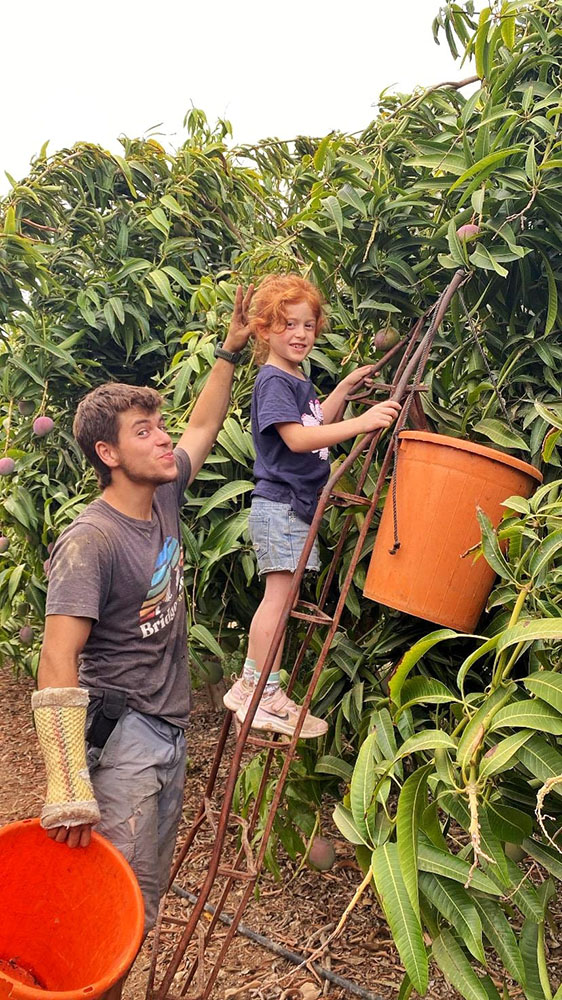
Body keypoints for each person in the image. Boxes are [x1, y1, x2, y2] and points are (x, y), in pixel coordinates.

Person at [32, 285, 254, 1000]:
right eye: (142, 431)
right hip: (123, 738)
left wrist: (229, 349)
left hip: (168, 731)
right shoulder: (89, 540)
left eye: (157, 427)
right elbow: (57, 655)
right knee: (109, 906)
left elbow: (203, 426)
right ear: (107, 452)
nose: (162, 439)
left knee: (140, 907)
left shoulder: (163, 494)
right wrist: (68, 785)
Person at [223, 274, 400, 738]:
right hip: (280, 505)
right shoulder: (274, 381)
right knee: (277, 601)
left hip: (295, 507)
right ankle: (252, 688)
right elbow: (300, 438)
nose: (300, 334)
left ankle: (267, 688)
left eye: (308, 325)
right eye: (287, 325)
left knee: (283, 602)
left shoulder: (297, 379)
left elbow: (319, 420)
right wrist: (362, 423)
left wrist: (343, 388)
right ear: (263, 331)